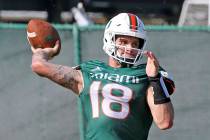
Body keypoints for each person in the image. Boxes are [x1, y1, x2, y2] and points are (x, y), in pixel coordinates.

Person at [30, 13, 175, 140]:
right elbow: (39, 66)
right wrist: (43, 52)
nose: (129, 48)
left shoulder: (146, 73)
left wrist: (155, 78)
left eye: (134, 43)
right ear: (110, 39)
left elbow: (164, 122)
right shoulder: (90, 70)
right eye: (123, 42)